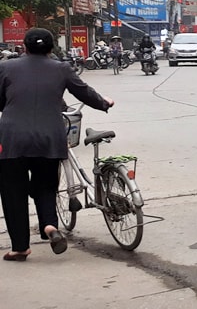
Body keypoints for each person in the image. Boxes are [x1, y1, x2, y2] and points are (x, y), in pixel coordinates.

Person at [0, 28, 114, 261]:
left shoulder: (6, 67)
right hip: (49, 139)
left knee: (13, 192)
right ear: (51, 48)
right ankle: (50, 227)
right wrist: (104, 103)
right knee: (45, 187)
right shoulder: (61, 68)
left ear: (24, 46)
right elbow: (84, 93)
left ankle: (20, 247)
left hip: (12, 140)